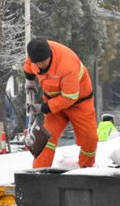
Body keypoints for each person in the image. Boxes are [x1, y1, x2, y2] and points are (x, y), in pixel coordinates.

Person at [24, 38, 98, 168]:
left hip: (79, 104)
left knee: (89, 138)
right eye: (37, 62)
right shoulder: (34, 54)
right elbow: (29, 65)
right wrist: (29, 79)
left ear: (49, 55)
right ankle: (38, 174)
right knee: (45, 139)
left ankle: (86, 170)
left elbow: (69, 98)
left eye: (43, 61)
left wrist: (43, 107)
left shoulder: (68, 65)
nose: (40, 65)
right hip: (53, 103)